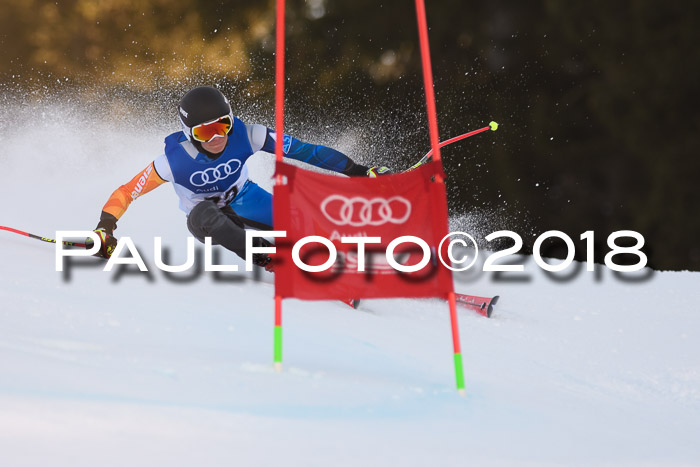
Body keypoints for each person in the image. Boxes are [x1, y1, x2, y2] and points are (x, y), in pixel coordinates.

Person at [91, 86, 390, 271]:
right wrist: (105, 227)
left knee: (308, 224)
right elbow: (127, 191)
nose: (217, 137)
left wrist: (359, 172)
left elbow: (305, 151)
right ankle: (268, 258)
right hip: (205, 220)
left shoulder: (249, 135)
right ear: (188, 134)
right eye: (204, 132)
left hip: (245, 198)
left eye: (223, 125)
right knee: (206, 212)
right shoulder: (172, 162)